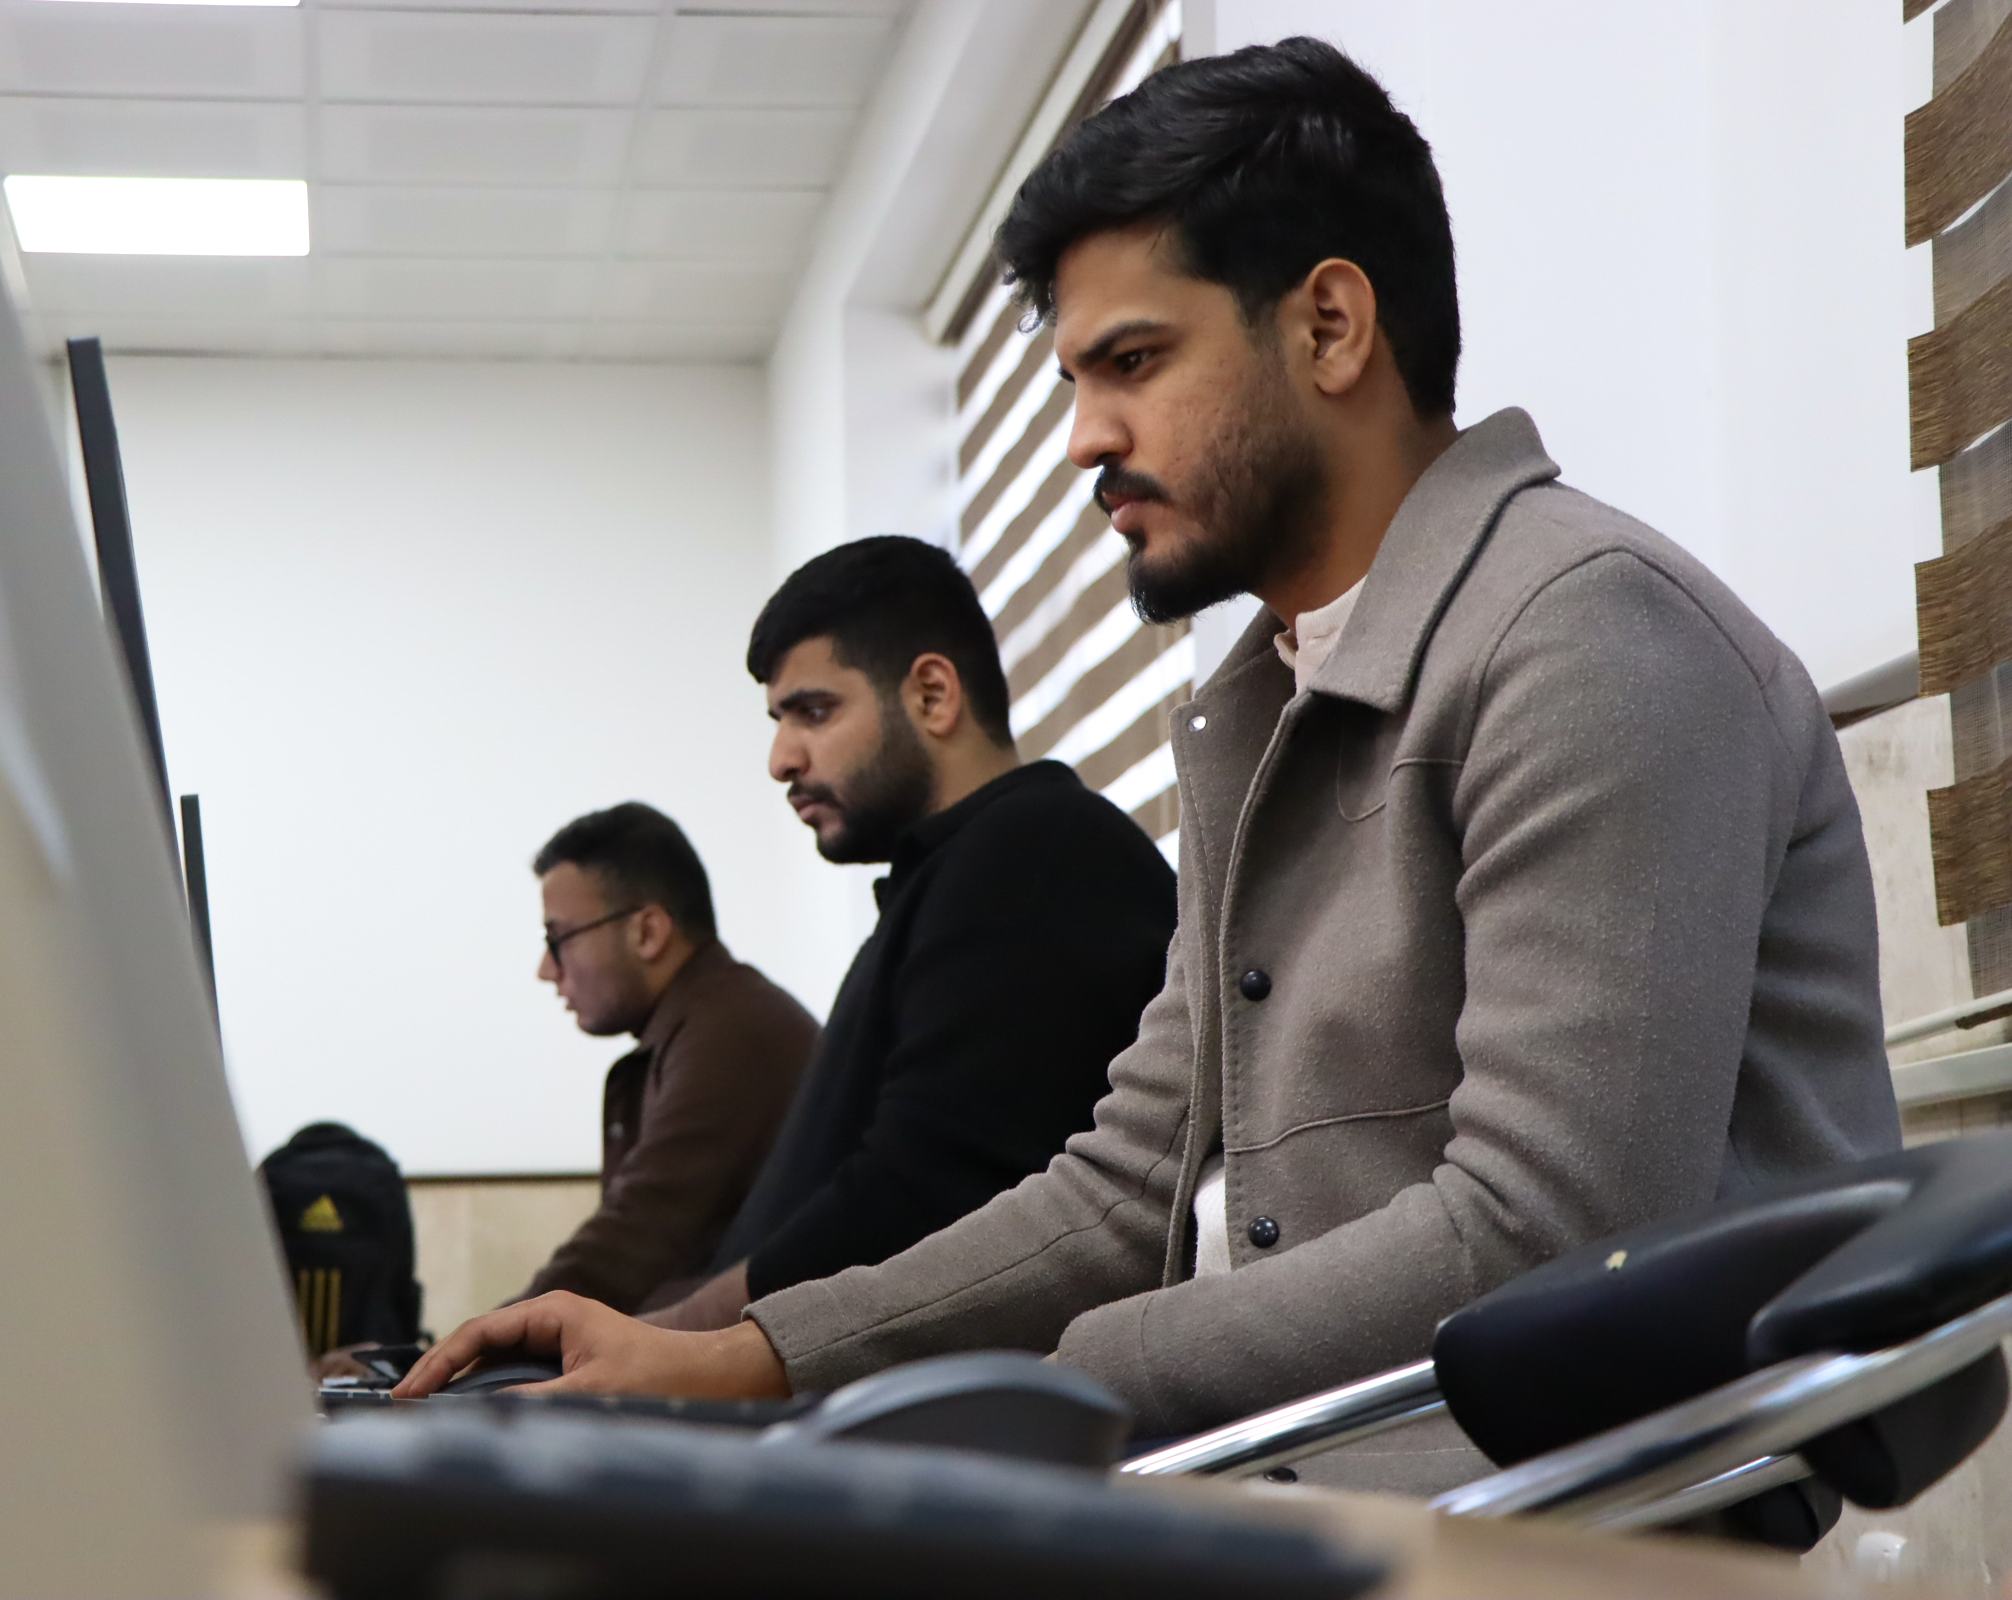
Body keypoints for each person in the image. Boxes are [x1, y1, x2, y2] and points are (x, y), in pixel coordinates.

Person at [400, 39, 1900, 1491]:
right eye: (1071, 379)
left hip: (1568, 1523)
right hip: (1321, 1477)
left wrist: (1078, 1379)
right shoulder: (1264, 700)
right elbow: (1128, 1183)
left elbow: (1547, 1225)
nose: (1081, 439)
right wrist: (741, 1356)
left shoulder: (1588, 638)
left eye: (1132, 361)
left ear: (1330, 327)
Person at [627, 536, 1180, 1334]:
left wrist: (680, 1340)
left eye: (814, 711)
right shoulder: (962, 872)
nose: (782, 758)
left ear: (932, 695)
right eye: (779, 720)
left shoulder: (1036, 852)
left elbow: (923, 1194)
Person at [516, 803, 819, 1314]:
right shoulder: (703, 1021)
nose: (547, 969)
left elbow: (635, 1237)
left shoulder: (734, 1032)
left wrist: (485, 1342)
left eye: (558, 939)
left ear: (648, 932)